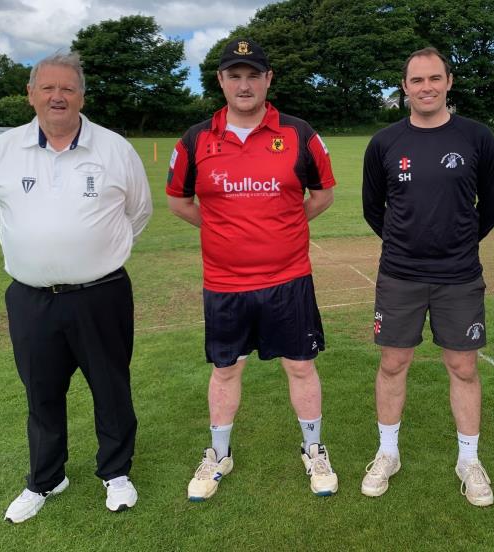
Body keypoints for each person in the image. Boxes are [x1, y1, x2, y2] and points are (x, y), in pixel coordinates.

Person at [0, 52, 153, 523]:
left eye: (68, 89)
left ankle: (116, 474)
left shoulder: (114, 148)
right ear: (31, 94)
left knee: (110, 387)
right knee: (41, 392)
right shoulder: (4, 150)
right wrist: (40, 254)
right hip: (31, 298)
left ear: (82, 96)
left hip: (102, 294)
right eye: (48, 88)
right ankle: (46, 478)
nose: (58, 97)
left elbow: (138, 214)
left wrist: (91, 254)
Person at [166, 38, 338, 501]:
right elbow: (178, 200)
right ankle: (219, 454)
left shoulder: (300, 133)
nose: (244, 84)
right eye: (234, 75)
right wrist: (223, 226)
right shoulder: (195, 139)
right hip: (225, 284)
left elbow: (321, 195)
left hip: (288, 279)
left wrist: (279, 225)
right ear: (221, 81)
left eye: (253, 74)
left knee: (301, 366)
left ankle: (314, 450)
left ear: (268, 79)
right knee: (225, 371)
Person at [361, 47, 494, 505]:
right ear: (404, 87)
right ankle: (387, 453)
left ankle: (469, 460)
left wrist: (455, 242)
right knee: (393, 363)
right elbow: (373, 209)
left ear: (449, 81)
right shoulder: (384, 142)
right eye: (417, 80)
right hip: (400, 275)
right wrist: (408, 244)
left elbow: (492, 207)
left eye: (434, 78)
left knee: (463, 366)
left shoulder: (477, 138)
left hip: (459, 276)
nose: (426, 87)